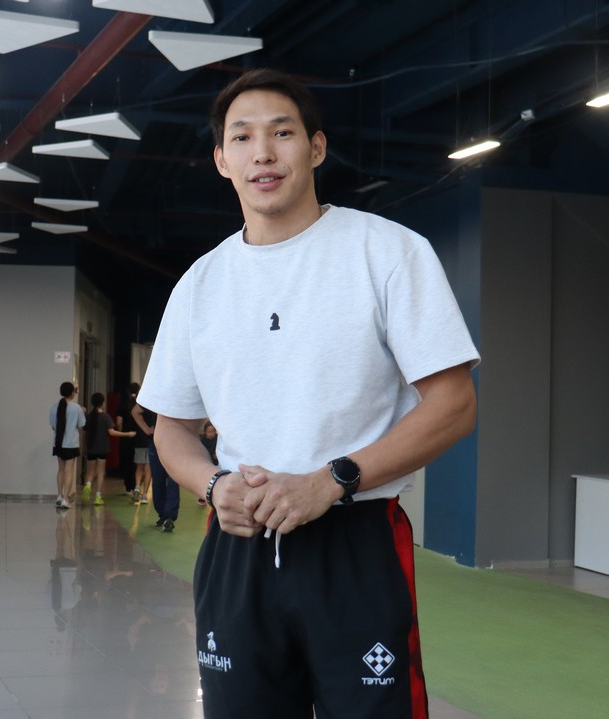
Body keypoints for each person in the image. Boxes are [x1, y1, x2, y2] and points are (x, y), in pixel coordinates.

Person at [137, 68, 480, 719]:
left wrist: (331, 480)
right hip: (237, 547)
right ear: (222, 159)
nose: (262, 153)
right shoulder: (200, 284)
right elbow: (172, 427)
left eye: (282, 133)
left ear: (316, 147)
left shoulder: (387, 253)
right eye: (242, 137)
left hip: (354, 543)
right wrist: (213, 484)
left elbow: (455, 404)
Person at [132, 401, 179, 532]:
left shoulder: (176, 396)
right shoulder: (152, 396)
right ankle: (163, 514)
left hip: (174, 442)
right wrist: (146, 429)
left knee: (173, 479)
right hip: (156, 441)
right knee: (158, 478)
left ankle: (169, 516)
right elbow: (135, 411)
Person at [84, 392, 136, 505]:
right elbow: (112, 432)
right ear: (102, 403)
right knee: (100, 472)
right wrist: (128, 434)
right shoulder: (105, 417)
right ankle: (98, 496)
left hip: (91, 448)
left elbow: (85, 430)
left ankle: (88, 485)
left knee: (90, 471)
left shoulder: (89, 416)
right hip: (102, 448)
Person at [49, 381, 85, 509]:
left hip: (58, 443)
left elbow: (53, 426)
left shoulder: (54, 407)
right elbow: (82, 424)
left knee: (61, 470)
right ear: (72, 393)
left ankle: (59, 496)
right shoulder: (77, 408)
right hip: (71, 443)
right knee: (69, 471)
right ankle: (65, 498)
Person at [116, 382, 149, 501]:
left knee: (127, 461)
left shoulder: (123, 404)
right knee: (142, 464)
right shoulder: (142, 404)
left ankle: (129, 487)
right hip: (141, 436)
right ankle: (140, 488)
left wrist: (122, 432)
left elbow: (119, 422)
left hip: (126, 436)